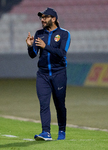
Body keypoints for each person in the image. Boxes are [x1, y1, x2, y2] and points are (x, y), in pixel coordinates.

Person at [26, 7, 71, 141]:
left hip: (59, 74)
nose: (42, 19)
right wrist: (30, 46)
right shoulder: (39, 33)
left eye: (45, 17)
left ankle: (62, 130)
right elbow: (33, 55)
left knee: (59, 104)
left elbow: (62, 53)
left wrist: (46, 47)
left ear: (54, 19)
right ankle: (46, 132)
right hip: (43, 74)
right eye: (42, 17)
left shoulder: (64, 34)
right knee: (43, 104)